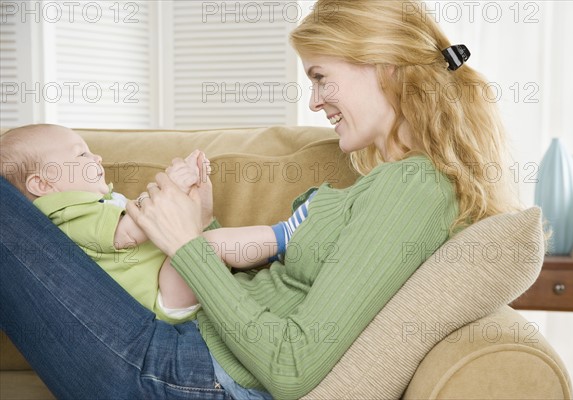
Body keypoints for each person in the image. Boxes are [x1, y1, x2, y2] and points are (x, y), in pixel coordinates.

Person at [0, 1, 520, 399]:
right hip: (181, 354)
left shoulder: (414, 188)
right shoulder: (395, 182)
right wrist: (201, 226)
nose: (314, 101)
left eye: (320, 77)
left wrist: (185, 245)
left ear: (383, 65)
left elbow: (292, 365)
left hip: (179, 373)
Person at [0, 124, 312, 324]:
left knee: (206, 245)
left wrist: (195, 204)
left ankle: (278, 250)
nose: (96, 157)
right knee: (207, 248)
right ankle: (287, 235)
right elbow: (130, 232)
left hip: (165, 282)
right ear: (42, 184)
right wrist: (169, 188)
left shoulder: (99, 204)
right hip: (158, 299)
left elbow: (175, 230)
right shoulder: (65, 215)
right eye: (80, 154)